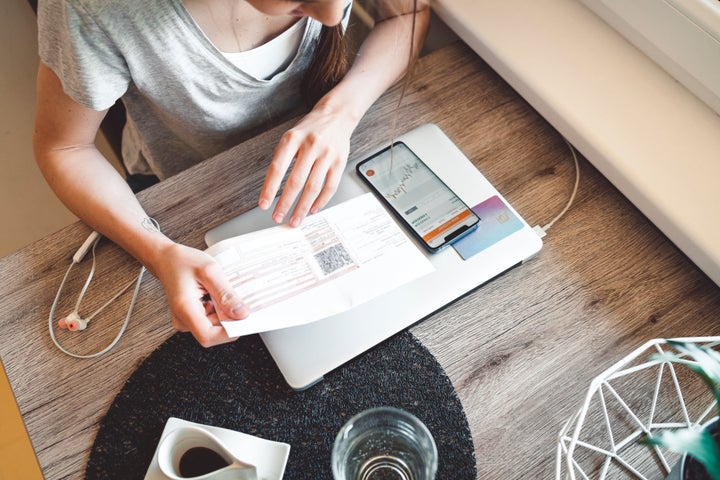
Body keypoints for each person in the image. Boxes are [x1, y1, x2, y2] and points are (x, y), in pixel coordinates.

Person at [33, 0, 430, 347]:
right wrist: (158, 252)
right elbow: (65, 149)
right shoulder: (93, 7)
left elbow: (410, 12)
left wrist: (340, 112)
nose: (331, 17)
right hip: (179, 194)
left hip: (335, 154)